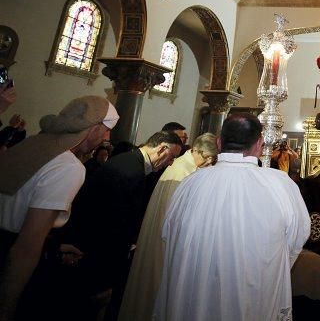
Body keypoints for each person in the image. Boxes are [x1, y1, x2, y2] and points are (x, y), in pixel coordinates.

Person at [155, 114, 309, 321]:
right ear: (259, 144)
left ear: (219, 142)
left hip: (192, 295)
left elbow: (168, 233)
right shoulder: (281, 185)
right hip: (252, 295)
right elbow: (296, 239)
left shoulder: (190, 183)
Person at [0, 96, 118, 320]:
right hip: (15, 270)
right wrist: (6, 307)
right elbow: (26, 247)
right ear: (92, 128)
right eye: (105, 131)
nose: (106, 138)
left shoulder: (28, 144)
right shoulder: (67, 166)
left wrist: (53, 247)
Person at [67, 130, 183, 319]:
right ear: (162, 149)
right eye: (171, 157)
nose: (170, 163)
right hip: (99, 253)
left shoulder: (130, 162)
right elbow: (113, 222)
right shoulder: (130, 171)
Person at [118, 133, 219, 321]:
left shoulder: (184, 168)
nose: (208, 162)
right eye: (206, 157)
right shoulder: (183, 173)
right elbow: (179, 221)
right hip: (165, 245)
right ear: (196, 150)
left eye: (212, 159)